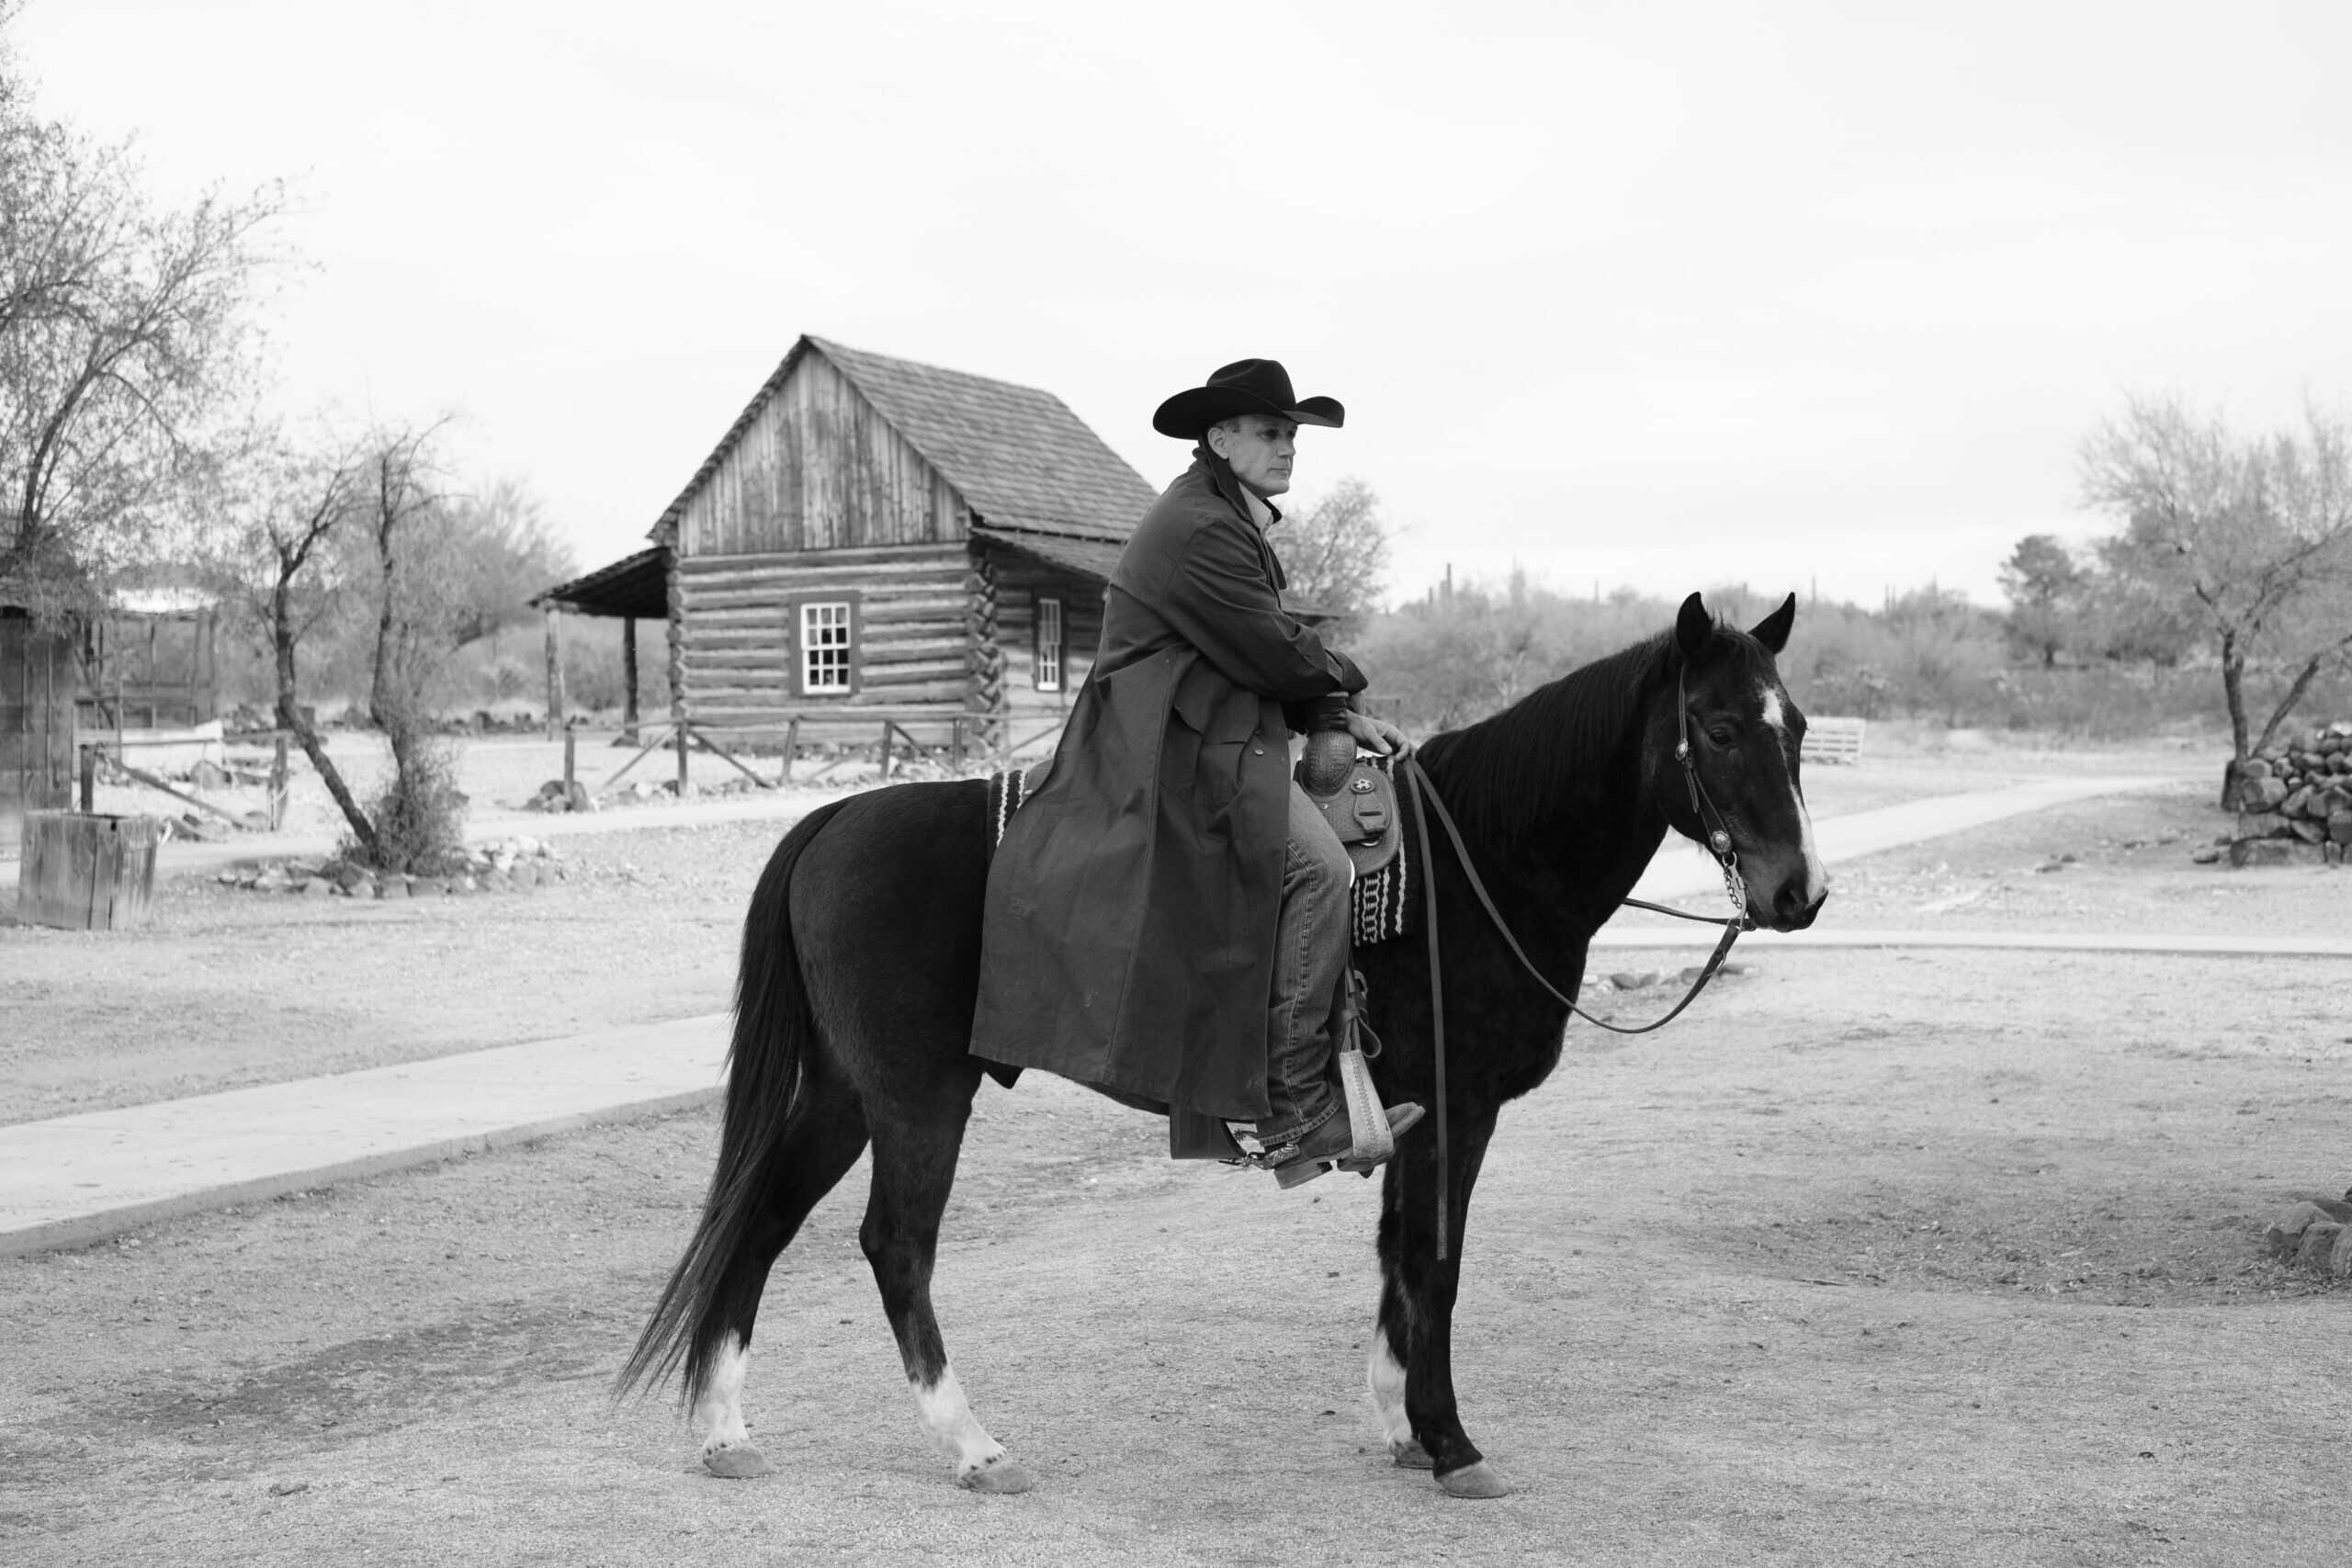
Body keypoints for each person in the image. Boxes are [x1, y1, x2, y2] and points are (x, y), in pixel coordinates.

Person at [969, 358, 1423, 1181]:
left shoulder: (1225, 515)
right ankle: (1296, 1106)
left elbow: (1257, 652)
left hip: (1210, 723)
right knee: (1320, 867)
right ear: (1220, 437)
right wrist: (1344, 679)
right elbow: (1272, 648)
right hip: (1168, 743)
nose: (1287, 446)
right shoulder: (1205, 529)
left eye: (1291, 434)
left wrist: (1333, 712)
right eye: (1269, 431)